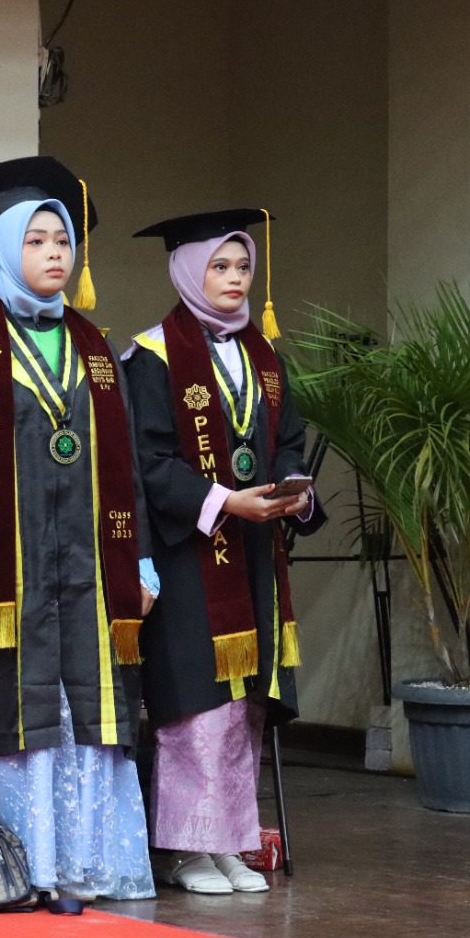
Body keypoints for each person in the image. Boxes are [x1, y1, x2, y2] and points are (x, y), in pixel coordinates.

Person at [0, 157, 157, 903]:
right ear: (0, 253)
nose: (56, 253)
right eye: (35, 241)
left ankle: (84, 864)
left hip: (90, 568)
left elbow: (126, 466)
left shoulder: (101, 352)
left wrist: (140, 561)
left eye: (63, 240)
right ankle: (16, 865)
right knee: (14, 711)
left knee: (88, 711)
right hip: (12, 571)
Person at [123, 209, 323, 895]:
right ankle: (185, 848)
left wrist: (295, 491)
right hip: (187, 555)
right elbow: (148, 462)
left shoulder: (264, 357)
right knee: (196, 705)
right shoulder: (151, 356)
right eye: (219, 266)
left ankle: (232, 841)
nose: (235, 279)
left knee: (244, 707)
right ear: (186, 271)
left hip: (256, 555)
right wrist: (223, 501)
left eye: (242, 267)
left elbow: (288, 441)